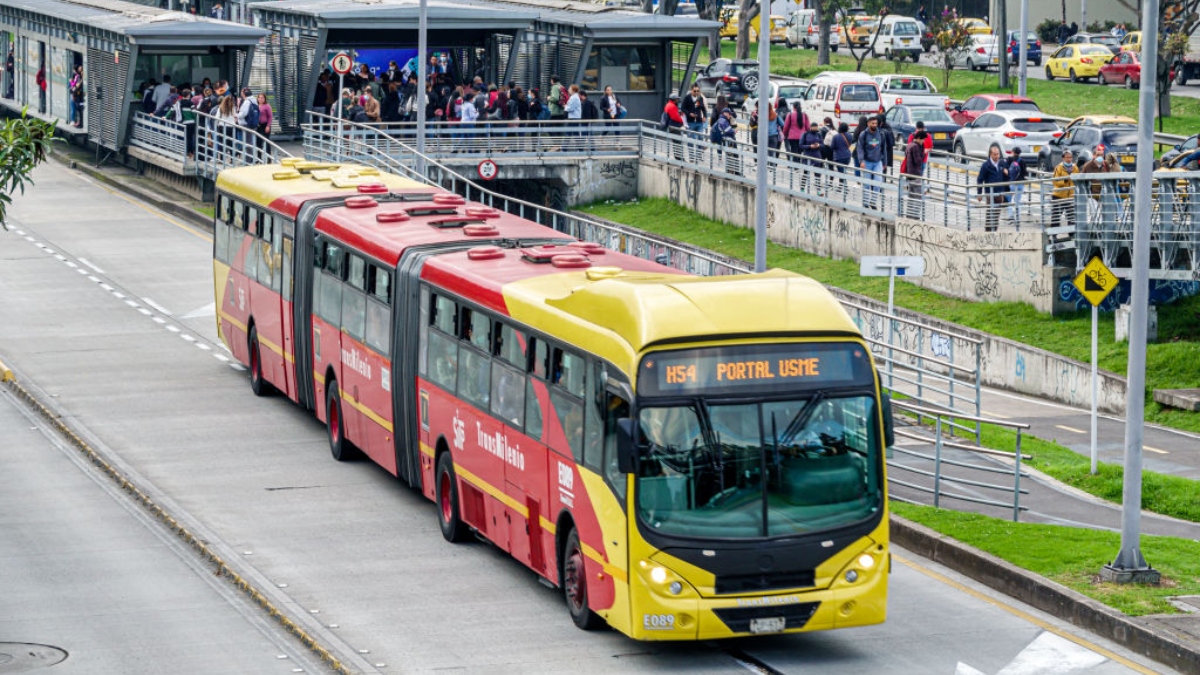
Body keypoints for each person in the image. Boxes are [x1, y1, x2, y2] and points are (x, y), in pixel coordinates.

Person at [976, 143, 1010, 232]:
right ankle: (988, 231)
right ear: (991, 154)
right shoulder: (986, 165)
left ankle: (994, 230)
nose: (997, 156)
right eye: (995, 154)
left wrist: (1006, 172)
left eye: (998, 154)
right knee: (990, 212)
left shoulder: (1002, 163)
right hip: (990, 193)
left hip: (999, 192)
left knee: (997, 213)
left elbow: (1006, 176)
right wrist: (979, 193)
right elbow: (980, 179)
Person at [856, 115, 886, 208]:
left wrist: (885, 162)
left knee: (878, 182)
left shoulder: (881, 134)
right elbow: (860, 148)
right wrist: (861, 161)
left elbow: (884, 149)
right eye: (872, 123)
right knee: (867, 184)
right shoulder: (863, 134)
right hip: (867, 162)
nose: (874, 125)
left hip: (878, 162)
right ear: (868, 124)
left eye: (876, 123)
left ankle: (873, 202)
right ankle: (865, 203)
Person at [903, 130, 928, 219]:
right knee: (918, 196)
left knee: (911, 196)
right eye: (923, 140)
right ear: (918, 138)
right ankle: (916, 215)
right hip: (915, 174)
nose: (923, 141)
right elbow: (918, 161)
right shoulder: (916, 147)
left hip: (909, 174)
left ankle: (909, 214)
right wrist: (924, 153)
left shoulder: (909, 145)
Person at [1051, 149, 1078, 229]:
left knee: (1071, 216)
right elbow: (1055, 181)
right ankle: (1054, 234)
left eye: (1070, 157)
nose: (1069, 159)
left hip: (1070, 196)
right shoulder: (1059, 167)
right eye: (1067, 157)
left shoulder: (1075, 167)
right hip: (1059, 195)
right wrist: (1064, 181)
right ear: (1063, 158)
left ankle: (1072, 233)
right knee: (1056, 216)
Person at [799, 120, 825, 192]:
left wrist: (819, 145)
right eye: (814, 127)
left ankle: (818, 190)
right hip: (808, 155)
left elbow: (823, 146)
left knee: (817, 174)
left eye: (816, 128)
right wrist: (810, 146)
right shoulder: (805, 134)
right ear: (810, 127)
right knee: (806, 172)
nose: (815, 129)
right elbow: (801, 145)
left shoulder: (819, 135)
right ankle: (802, 188)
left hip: (817, 156)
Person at [829, 121, 853, 197]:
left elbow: (832, 147)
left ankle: (843, 187)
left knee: (841, 172)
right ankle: (842, 186)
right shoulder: (849, 135)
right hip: (847, 156)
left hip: (839, 156)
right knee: (843, 171)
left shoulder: (836, 136)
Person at [1007, 147, 1028, 221]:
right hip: (1020, 183)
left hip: (1011, 182)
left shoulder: (1009, 159)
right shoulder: (1022, 161)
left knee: (1009, 200)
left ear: (1012, 152)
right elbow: (1025, 173)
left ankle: (1010, 216)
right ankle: (1018, 217)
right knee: (1017, 201)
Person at [662, 93, 685, 160]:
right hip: (674, 127)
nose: (678, 100)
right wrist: (682, 122)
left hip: (671, 126)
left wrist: (678, 112)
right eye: (677, 99)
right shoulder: (672, 106)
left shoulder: (668, 105)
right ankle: (679, 158)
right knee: (678, 142)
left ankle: (678, 157)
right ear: (675, 100)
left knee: (676, 142)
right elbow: (675, 117)